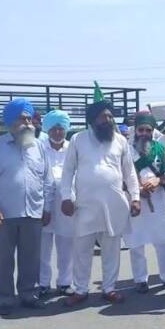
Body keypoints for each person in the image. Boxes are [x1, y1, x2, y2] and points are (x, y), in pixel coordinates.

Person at [0, 98, 55, 315]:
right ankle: (4, 299)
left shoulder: (39, 146)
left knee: (31, 257)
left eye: (30, 118)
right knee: (3, 258)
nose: (28, 123)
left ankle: (29, 294)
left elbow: (48, 180)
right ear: (10, 121)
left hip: (34, 211)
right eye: (23, 118)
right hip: (4, 213)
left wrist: (47, 207)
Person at [60, 100, 141, 306]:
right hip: (85, 205)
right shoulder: (78, 139)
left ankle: (109, 289)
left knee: (112, 249)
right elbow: (68, 170)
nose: (108, 120)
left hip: (114, 204)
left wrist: (136, 197)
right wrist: (66, 197)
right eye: (103, 117)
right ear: (92, 120)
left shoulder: (121, 140)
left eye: (110, 116)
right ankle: (80, 290)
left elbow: (129, 172)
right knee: (82, 250)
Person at [126, 114, 165, 294]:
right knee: (136, 243)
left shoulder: (160, 149)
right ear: (136, 131)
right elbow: (119, 177)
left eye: (148, 130)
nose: (145, 134)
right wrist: (137, 189)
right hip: (136, 202)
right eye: (141, 130)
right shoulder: (127, 151)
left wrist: (158, 180)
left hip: (159, 202)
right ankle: (140, 279)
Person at [37, 110, 76, 298]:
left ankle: (64, 282)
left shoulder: (72, 148)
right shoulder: (38, 147)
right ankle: (43, 283)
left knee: (66, 245)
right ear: (47, 129)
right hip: (44, 204)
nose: (58, 133)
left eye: (61, 128)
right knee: (43, 247)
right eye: (53, 129)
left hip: (67, 204)